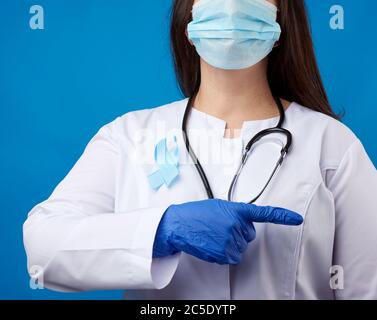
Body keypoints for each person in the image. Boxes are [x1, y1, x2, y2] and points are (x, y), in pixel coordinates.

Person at [23, 0, 377, 299]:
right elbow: (42, 248)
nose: (232, 5)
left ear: (281, 19)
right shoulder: (127, 136)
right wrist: (162, 230)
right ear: (188, 20)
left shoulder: (332, 144)